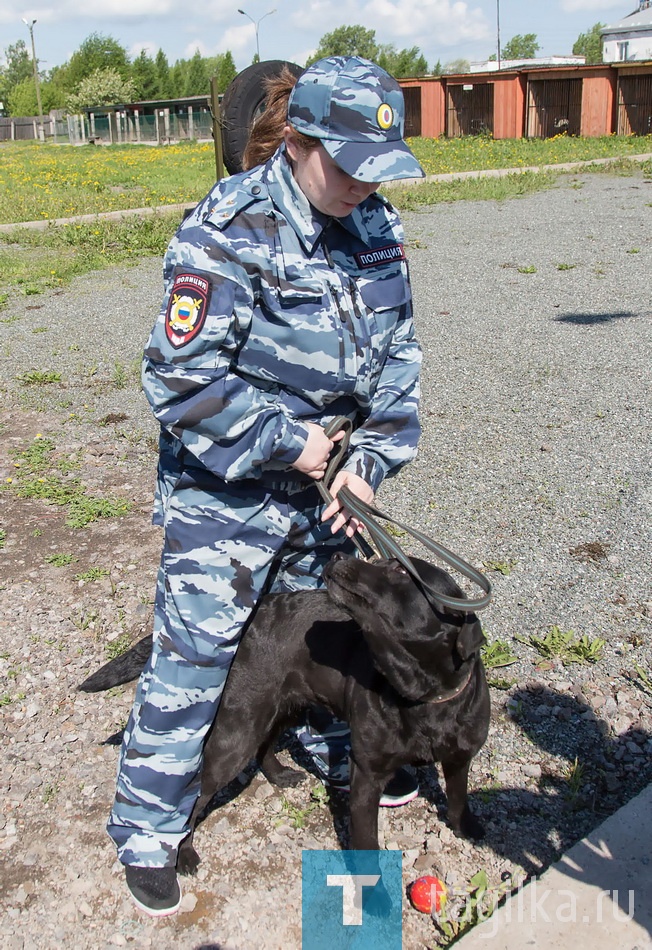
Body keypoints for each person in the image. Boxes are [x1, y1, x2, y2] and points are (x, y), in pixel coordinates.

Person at [107, 54, 425, 917]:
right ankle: (147, 826)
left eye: (378, 167)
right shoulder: (227, 228)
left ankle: (329, 749)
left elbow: (398, 364)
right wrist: (293, 445)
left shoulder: (376, 227)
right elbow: (180, 381)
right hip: (228, 494)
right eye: (349, 164)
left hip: (324, 495)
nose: (364, 184)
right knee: (198, 655)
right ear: (301, 138)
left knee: (319, 636)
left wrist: (367, 462)